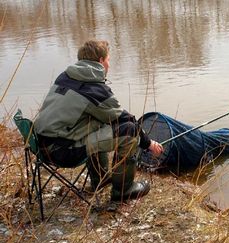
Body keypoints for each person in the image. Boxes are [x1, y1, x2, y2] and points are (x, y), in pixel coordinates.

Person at [34, 39, 163, 202]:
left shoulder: (66, 76)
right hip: (62, 152)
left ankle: (100, 179)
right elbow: (124, 118)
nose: (109, 65)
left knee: (99, 121)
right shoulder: (92, 87)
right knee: (130, 131)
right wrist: (148, 143)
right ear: (101, 61)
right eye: (108, 60)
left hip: (44, 146)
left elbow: (108, 116)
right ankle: (123, 190)